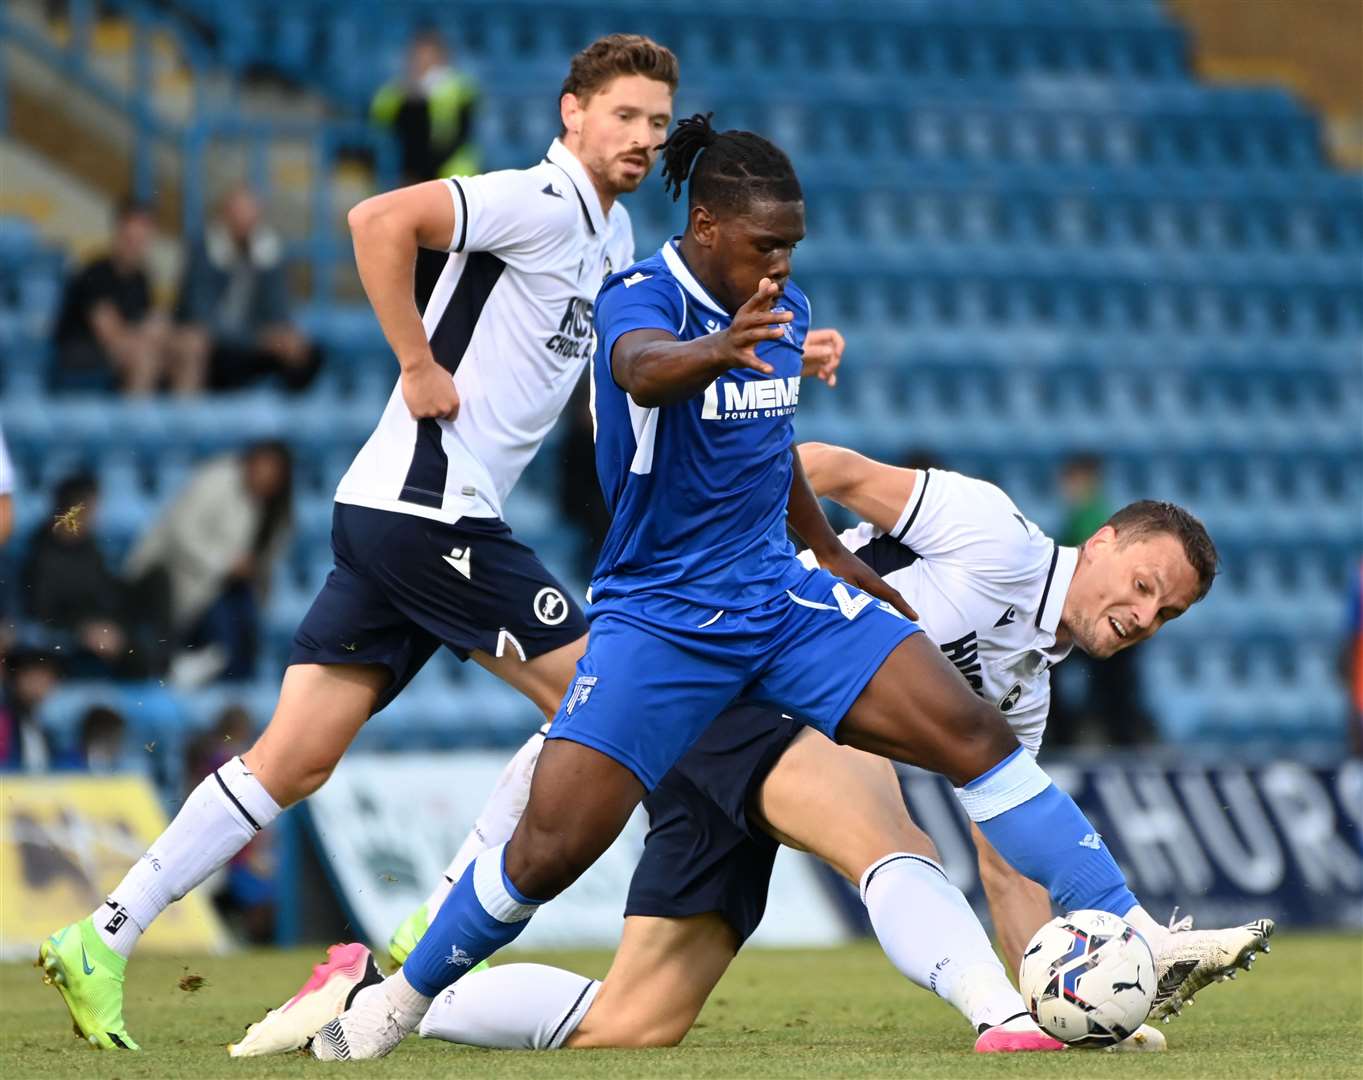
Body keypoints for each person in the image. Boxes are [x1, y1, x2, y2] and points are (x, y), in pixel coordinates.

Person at [312, 116, 1270, 1061]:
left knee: (972, 737)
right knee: (546, 854)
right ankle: (396, 1000)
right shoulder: (638, 297)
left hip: (782, 598)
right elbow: (638, 374)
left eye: (792, 247)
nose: (780, 265)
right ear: (706, 230)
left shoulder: (784, 312)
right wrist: (714, 352)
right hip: (663, 614)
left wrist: (839, 559)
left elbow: (771, 460)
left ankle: (1131, 928)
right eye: (765, 245)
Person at [36, 33, 681, 1052]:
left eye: (656, 121)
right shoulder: (534, 199)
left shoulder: (616, 237)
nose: (642, 137)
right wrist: (417, 364)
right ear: (572, 114)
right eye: (623, 116)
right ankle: (428, 928)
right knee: (599, 696)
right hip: (431, 510)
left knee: (290, 762)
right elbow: (376, 217)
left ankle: (102, 935)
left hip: (402, 514)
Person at [237, 449, 1254, 1058]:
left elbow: (1004, 859)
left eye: (1165, 612)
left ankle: (374, 993)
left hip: (747, 748)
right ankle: (998, 1015)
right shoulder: (992, 531)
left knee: (635, 1022)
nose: (1144, 612)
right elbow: (820, 469)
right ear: (1109, 541)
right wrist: (823, 581)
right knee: (880, 827)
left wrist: (1071, 996)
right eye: (1144, 582)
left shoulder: (1023, 688)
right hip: (742, 677)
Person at [125, 442, 293, 683]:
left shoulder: (275, 512)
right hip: (182, 576)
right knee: (222, 640)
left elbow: (268, 559)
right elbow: (181, 532)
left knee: (245, 639)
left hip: (234, 588)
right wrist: (226, 563)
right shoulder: (216, 481)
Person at [1047, 454, 1155, 747]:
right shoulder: (1099, 515)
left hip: (1102, 615)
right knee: (1115, 685)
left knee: (1052, 666)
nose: (1066, 487)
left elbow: (1086, 571)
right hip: (1115, 615)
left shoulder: (1090, 518)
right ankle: (1121, 739)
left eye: (1072, 480)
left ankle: (1064, 737)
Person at [172, 187, 322, 394]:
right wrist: (257, 338)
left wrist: (279, 336)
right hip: (217, 348)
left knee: (304, 351)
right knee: (196, 344)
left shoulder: (269, 252)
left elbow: (279, 310)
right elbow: (202, 317)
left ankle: (286, 417)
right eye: (238, 214)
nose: (245, 223)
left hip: (253, 347)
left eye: (250, 215)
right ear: (225, 216)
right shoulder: (203, 252)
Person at [21, 473, 169, 680]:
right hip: (76, 632)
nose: (96, 516)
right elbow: (43, 612)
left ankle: (170, 660)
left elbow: (104, 588)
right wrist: (83, 629)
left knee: (157, 580)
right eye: (92, 509)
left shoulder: (88, 545)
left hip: (106, 618)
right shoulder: (42, 556)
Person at [50, 201, 192, 395]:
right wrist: (149, 333)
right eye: (131, 238)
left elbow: (142, 323)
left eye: (142, 239)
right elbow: (110, 335)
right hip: (82, 351)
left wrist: (159, 330)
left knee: (188, 349)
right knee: (145, 357)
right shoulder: (95, 272)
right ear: (119, 233)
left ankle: (184, 422)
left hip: (123, 347)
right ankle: (137, 424)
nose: (136, 245)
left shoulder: (142, 277)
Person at [371, 28, 481, 184]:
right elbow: (380, 122)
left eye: (429, 55)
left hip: (452, 172)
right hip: (410, 171)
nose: (424, 60)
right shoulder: (398, 90)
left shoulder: (460, 88)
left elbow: (458, 137)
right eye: (419, 55)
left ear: (442, 57)